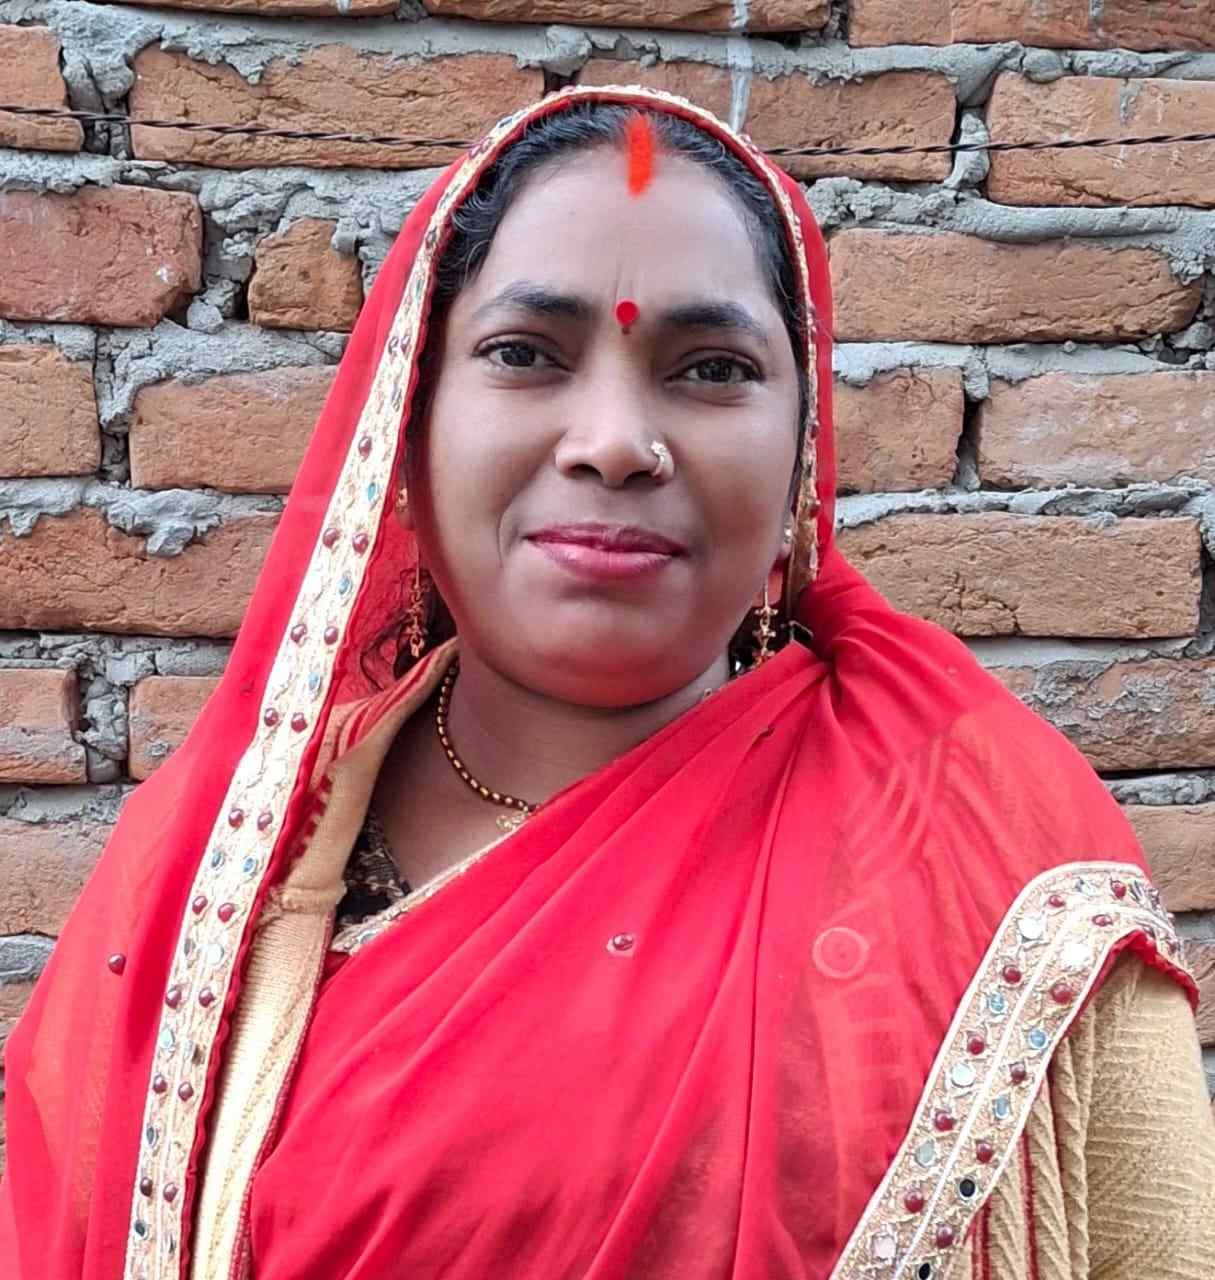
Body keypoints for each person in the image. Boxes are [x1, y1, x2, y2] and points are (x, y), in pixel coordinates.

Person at [1, 86, 1212, 1280]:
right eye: (525, 354)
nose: (617, 441)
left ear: (802, 453)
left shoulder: (990, 870)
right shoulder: (217, 875)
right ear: (407, 423)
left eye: (711, 367)